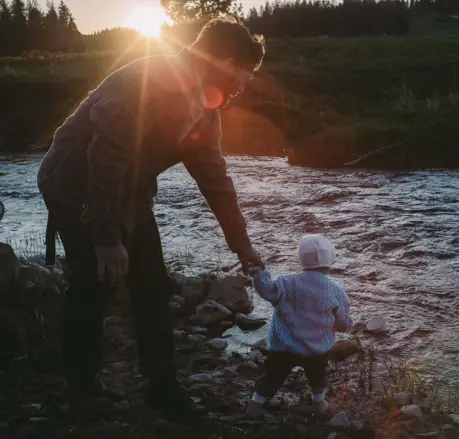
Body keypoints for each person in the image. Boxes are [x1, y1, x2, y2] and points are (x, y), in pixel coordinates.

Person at [36, 18, 265, 423]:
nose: (241, 87)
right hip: (73, 184)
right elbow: (104, 158)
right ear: (226, 61)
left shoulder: (205, 111)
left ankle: (162, 390)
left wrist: (242, 246)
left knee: (152, 285)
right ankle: (81, 391)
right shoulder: (147, 81)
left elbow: (215, 180)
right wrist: (107, 237)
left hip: (129, 191)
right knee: (93, 283)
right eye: (242, 76)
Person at [245, 234, 353, 419]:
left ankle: (256, 403)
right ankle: (319, 403)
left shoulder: (287, 282)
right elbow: (342, 322)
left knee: (272, 375)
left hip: (284, 347)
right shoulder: (336, 290)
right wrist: (347, 326)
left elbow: (266, 290)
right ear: (330, 259)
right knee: (318, 376)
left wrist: (258, 272)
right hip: (316, 349)